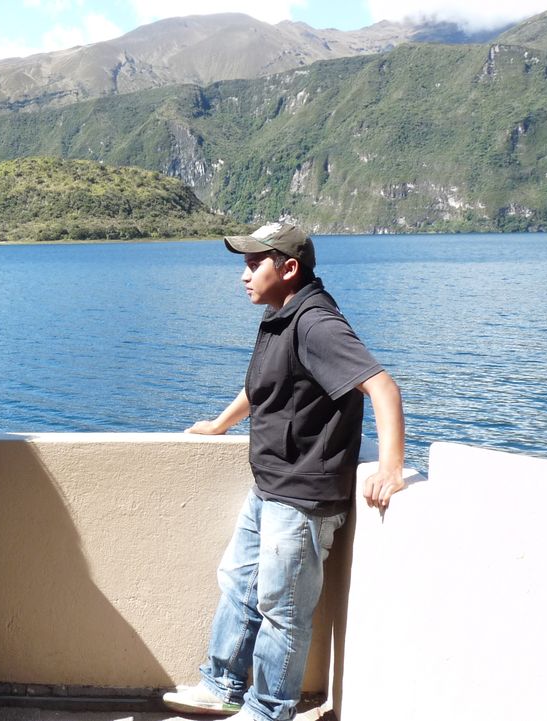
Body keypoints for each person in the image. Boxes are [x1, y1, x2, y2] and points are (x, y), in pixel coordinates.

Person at [164, 223, 406, 721]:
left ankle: (269, 711)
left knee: (282, 611)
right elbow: (263, 387)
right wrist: (219, 424)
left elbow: (382, 386)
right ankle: (222, 686)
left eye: (256, 265)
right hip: (270, 485)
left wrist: (391, 467)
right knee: (238, 584)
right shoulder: (280, 316)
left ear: (289, 268)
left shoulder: (316, 323)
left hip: (301, 497)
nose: (244, 275)